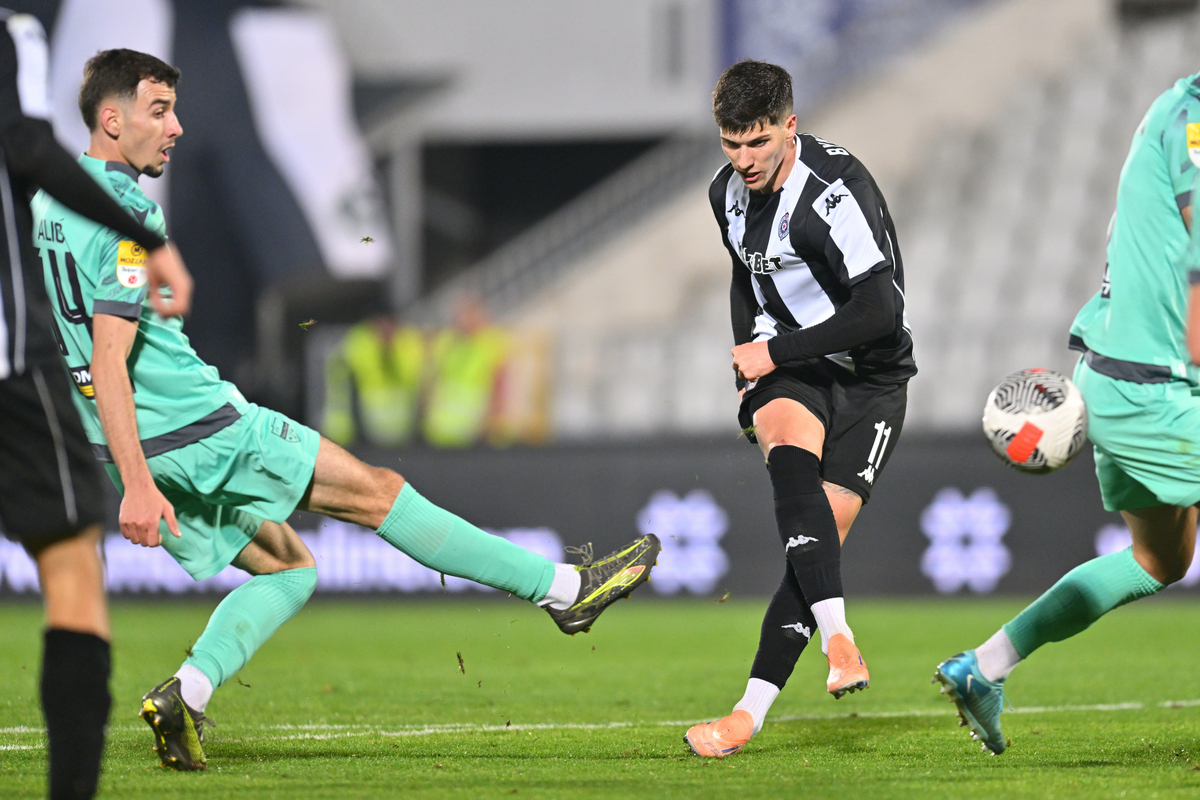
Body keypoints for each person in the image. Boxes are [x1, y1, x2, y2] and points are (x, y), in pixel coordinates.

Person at [34, 48, 659, 773]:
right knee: (379, 493)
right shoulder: (126, 208)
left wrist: (127, 466)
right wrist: (140, 486)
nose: (174, 126)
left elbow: (75, 342)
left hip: (127, 442)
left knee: (289, 567)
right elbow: (110, 356)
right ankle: (565, 592)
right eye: (158, 110)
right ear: (111, 120)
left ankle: (186, 692)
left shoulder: (53, 201)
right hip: (198, 428)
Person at [934, 71, 1200, 756]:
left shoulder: (1177, 108)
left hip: (1112, 379)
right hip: (1162, 390)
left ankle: (984, 665)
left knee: (1156, 560)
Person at [684, 61, 916, 758]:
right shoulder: (724, 194)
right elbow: (740, 272)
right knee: (790, 471)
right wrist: (747, 352)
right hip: (795, 368)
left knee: (811, 552)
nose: (744, 159)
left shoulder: (834, 194)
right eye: (731, 142)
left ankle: (754, 706)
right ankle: (830, 643)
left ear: (791, 126)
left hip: (872, 379)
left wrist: (773, 352)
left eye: (757, 142)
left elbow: (881, 310)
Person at [0, 11, 192, 800]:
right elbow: (26, 144)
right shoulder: (13, 31)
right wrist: (142, 235)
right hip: (12, 363)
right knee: (75, 565)